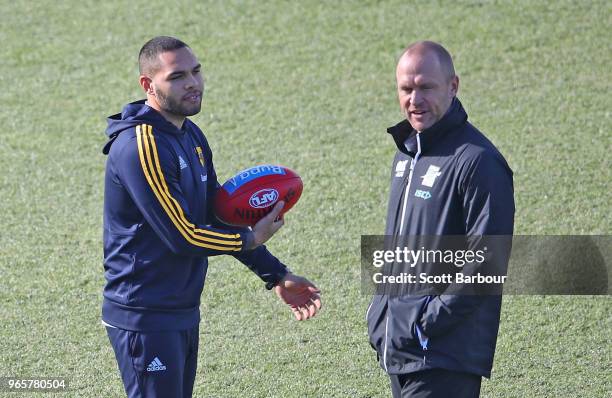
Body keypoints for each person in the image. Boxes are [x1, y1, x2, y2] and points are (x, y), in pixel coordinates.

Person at [101, 36, 322, 398]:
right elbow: (183, 235)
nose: (193, 82)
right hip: (145, 315)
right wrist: (250, 238)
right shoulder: (142, 146)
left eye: (197, 71)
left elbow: (217, 216)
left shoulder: (190, 135)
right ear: (148, 84)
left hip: (181, 309)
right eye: (177, 76)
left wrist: (275, 274)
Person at [366, 41, 515, 397]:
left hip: (442, 356)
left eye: (426, 87)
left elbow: (488, 259)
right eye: (406, 89)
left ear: (453, 86)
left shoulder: (478, 161)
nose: (415, 100)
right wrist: (382, 313)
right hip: (401, 348)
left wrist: (426, 322)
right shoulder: (406, 155)